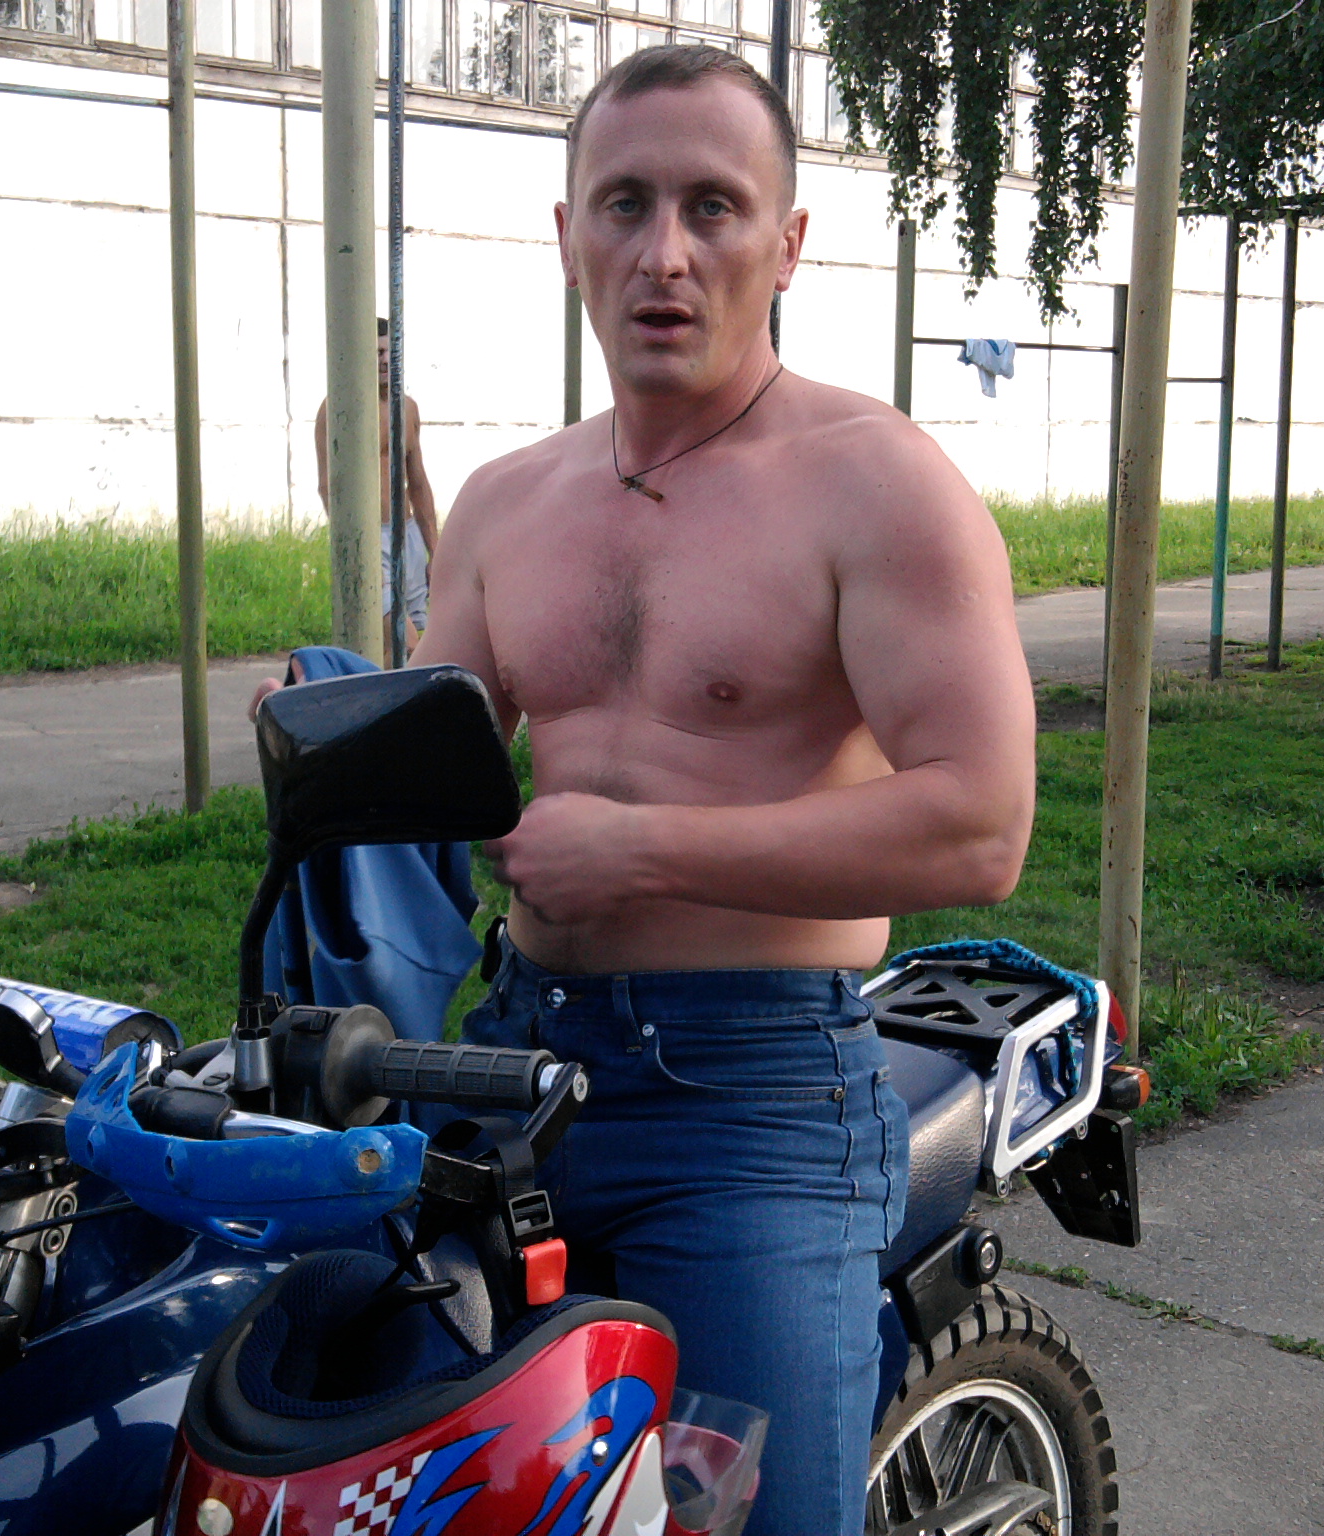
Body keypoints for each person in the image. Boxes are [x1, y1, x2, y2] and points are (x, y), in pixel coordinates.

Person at [411, 46, 1037, 1536]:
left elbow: (979, 821)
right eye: (624, 204)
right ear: (566, 233)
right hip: (514, 1066)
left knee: (744, 1522)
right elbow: (443, 770)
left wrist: (645, 853)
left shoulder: (876, 484)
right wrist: (336, 734)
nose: (665, 255)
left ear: (789, 243)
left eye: (712, 206)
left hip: (753, 1102)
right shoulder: (503, 502)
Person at [314, 318, 439, 660]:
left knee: (397, 652)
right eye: (375, 353)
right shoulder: (337, 409)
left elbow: (418, 484)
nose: (384, 361)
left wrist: (435, 551)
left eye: (388, 352)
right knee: (407, 643)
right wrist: (358, 547)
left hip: (407, 537)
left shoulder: (408, 408)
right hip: (370, 540)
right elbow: (327, 486)